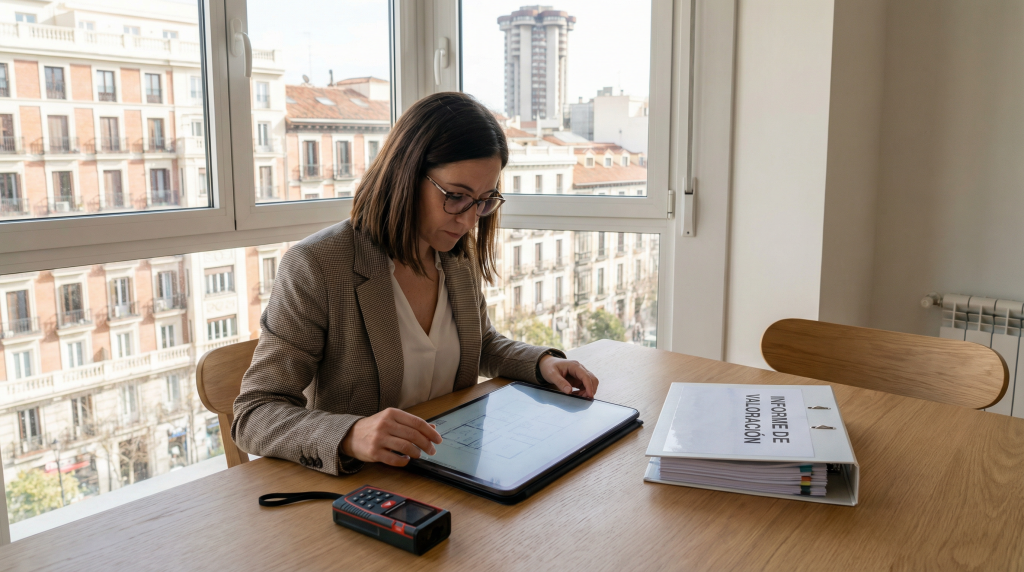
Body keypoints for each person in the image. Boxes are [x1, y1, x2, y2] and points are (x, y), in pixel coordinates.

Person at [232, 92, 600, 476]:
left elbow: (479, 343)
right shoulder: (317, 266)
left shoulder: (456, 255)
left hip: (447, 470)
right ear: (405, 174)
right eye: (456, 196)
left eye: (484, 200)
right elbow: (254, 413)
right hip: (361, 487)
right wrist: (350, 434)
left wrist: (542, 363)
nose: (470, 219)